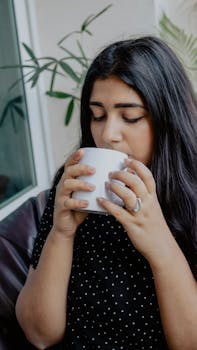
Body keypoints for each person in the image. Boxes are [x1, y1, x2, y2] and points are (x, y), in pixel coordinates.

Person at [15, 36, 197, 350]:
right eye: (97, 115)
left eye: (130, 117)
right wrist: (61, 233)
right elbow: (40, 335)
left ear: (168, 119)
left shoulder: (191, 194)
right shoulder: (73, 187)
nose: (107, 135)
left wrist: (160, 244)